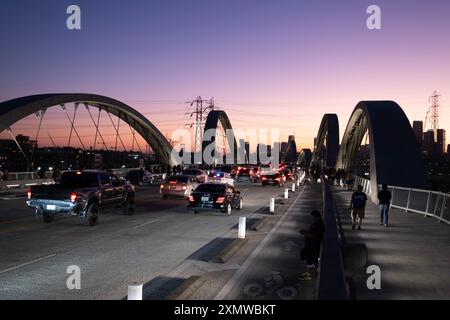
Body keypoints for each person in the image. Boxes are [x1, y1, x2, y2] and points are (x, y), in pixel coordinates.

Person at [298, 210, 325, 281]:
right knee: (312, 260)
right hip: (311, 245)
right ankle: (311, 274)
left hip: (313, 246)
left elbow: (316, 236)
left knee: (311, 260)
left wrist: (305, 233)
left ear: (316, 216)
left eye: (313, 217)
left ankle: (311, 276)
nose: (312, 218)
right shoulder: (317, 223)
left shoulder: (319, 224)